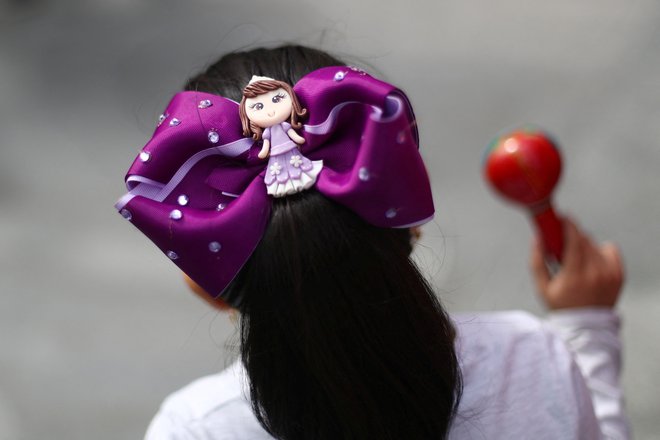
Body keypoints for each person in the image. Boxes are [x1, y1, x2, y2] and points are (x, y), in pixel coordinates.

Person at [115, 45, 630, 439]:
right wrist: (588, 330)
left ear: (204, 281)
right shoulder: (535, 362)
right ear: (408, 216)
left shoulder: (192, 429)